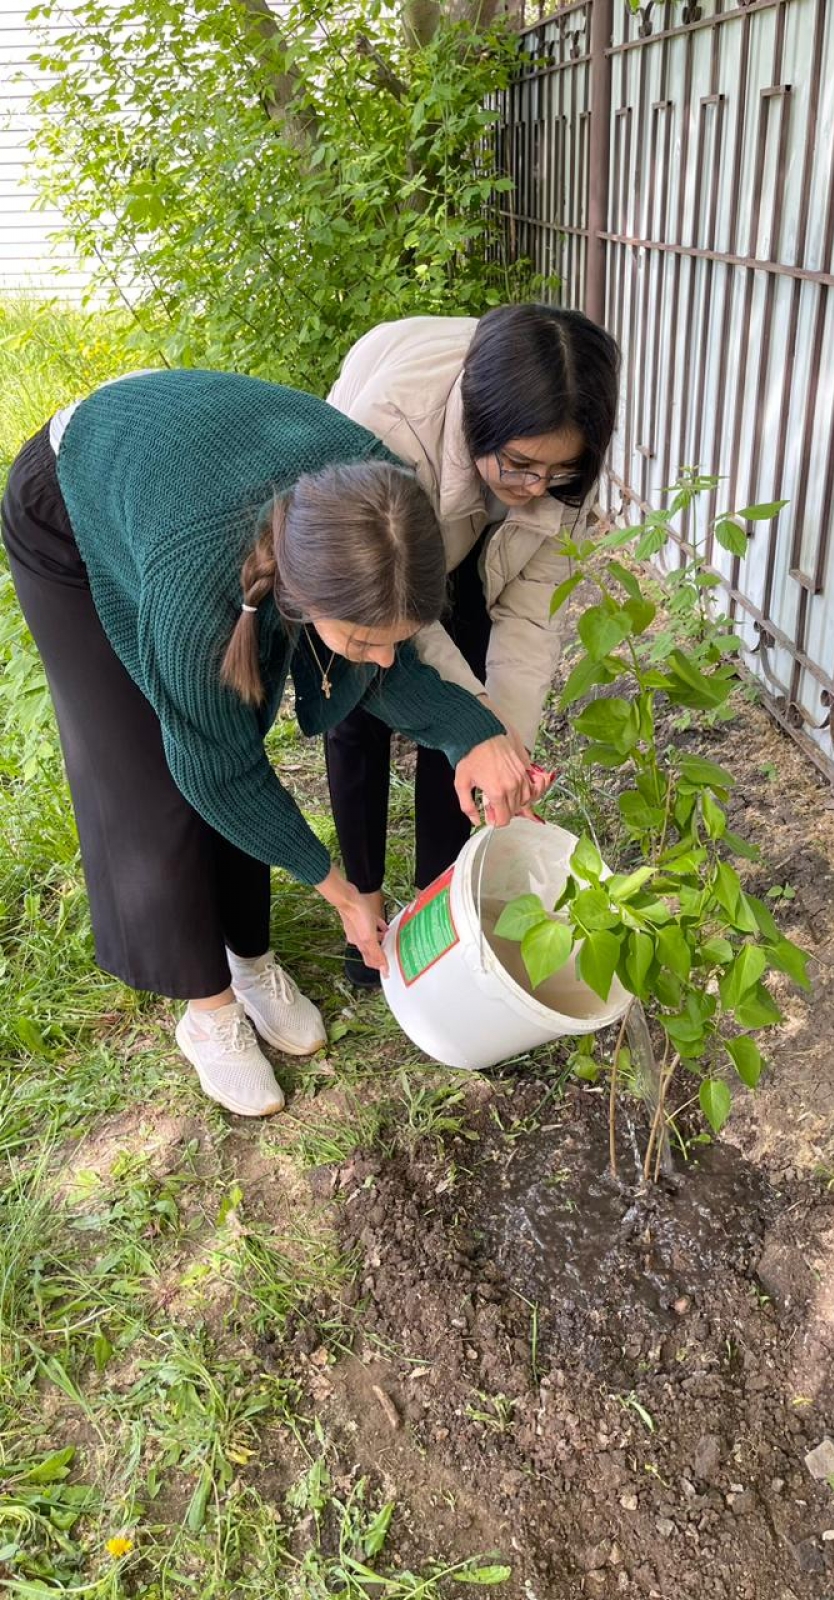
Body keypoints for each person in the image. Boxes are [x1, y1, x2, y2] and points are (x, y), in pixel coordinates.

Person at [1, 368, 535, 1118]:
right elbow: (219, 771)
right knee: (156, 768)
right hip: (72, 503)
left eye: (393, 639)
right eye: (360, 639)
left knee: (241, 719)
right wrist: (337, 887)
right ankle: (209, 1011)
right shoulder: (198, 589)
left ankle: (251, 959)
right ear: (300, 594)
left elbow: (385, 659)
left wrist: (471, 732)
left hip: (186, 470)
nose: (380, 655)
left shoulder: (379, 508)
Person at [327, 304, 620, 985]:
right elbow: (405, 619)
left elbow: (530, 617)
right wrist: (469, 722)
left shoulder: (563, 454)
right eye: (520, 465)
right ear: (481, 425)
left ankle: (441, 904)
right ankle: (366, 910)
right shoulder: (387, 431)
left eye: (557, 474)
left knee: (474, 720)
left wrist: (503, 742)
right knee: (359, 703)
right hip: (389, 521)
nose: (535, 490)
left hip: (468, 526)